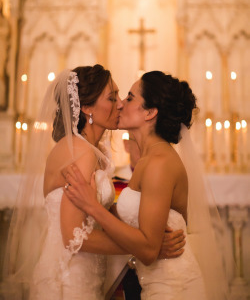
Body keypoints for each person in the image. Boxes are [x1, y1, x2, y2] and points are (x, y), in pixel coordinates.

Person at [1, 65, 185, 300]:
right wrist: (148, 248)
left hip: (86, 274)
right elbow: (75, 237)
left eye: (120, 95)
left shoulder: (93, 150)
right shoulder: (80, 152)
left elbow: (95, 218)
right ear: (86, 107)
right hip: (68, 280)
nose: (120, 103)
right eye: (112, 97)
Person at [64, 71, 229, 300]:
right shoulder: (149, 158)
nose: (120, 104)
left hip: (174, 287)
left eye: (130, 98)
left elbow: (150, 250)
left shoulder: (159, 163)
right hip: (156, 284)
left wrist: (92, 207)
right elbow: (135, 226)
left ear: (150, 113)